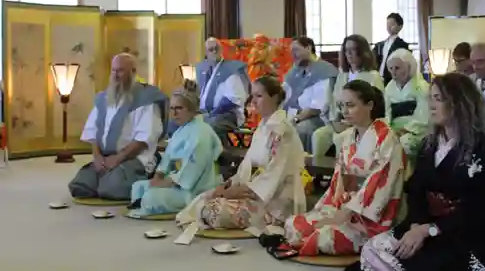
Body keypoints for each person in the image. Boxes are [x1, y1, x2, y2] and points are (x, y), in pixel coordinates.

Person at [348, 72, 485, 271]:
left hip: (462, 233)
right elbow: (416, 191)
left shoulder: (484, 151)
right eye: (431, 98)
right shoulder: (428, 145)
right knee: (373, 250)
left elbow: (482, 208)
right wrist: (416, 225)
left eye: (439, 99)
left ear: (459, 103)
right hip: (423, 225)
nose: (432, 105)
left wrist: (431, 230)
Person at [284, 80, 406, 256]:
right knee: (293, 224)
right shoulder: (348, 137)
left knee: (324, 237)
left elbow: (379, 185)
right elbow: (338, 182)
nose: (345, 111)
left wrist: (345, 214)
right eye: (342, 105)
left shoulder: (387, 140)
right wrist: (330, 210)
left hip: (368, 216)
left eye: (350, 105)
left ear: (370, 105)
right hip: (343, 206)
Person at [176, 75, 306, 235]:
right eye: (252, 96)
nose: (253, 101)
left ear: (275, 97)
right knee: (206, 197)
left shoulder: (282, 131)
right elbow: (247, 165)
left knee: (214, 210)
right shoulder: (263, 126)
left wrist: (240, 191)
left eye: (259, 96)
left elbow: (274, 175)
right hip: (254, 191)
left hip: (275, 201)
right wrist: (230, 185)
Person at [68, 53, 169, 200]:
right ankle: (108, 178)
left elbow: (143, 139)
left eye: (121, 71)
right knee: (79, 186)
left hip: (134, 158)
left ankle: (145, 180)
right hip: (106, 159)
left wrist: (118, 158)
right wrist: (97, 158)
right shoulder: (103, 98)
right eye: (113, 70)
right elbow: (93, 133)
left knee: (110, 189)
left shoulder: (146, 99)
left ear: (133, 72)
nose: (116, 75)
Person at [126, 82, 222, 217]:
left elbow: (192, 169)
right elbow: (167, 160)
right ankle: (145, 202)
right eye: (171, 109)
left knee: (150, 197)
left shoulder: (201, 132)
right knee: (138, 186)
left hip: (192, 190)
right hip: (172, 181)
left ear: (192, 109)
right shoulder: (181, 130)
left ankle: (148, 203)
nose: (174, 113)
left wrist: (167, 183)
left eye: (179, 108)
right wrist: (159, 175)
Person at [312, 34, 383, 166]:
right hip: (340, 121)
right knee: (318, 136)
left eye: (353, 50)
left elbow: (377, 106)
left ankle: (344, 176)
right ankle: (319, 176)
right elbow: (334, 102)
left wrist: (352, 122)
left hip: (361, 124)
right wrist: (334, 121)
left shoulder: (373, 76)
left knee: (341, 139)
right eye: (346, 50)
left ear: (362, 52)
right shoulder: (342, 76)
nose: (349, 54)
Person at [283, 37, 338, 153]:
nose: (293, 55)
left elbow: (317, 108)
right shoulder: (295, 71)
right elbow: (284, 96)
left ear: (308, 48)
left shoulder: (324, 70)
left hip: (317, 118)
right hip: (295, 117)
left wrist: (296, 119)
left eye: (296, 50)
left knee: (300, 130)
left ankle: (304, 168)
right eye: (291, 51)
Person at [196, 37, 250, 145]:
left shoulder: (231, 69)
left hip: (228, 114)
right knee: (184, 122)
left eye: (216, 48)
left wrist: (210, 114)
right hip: (207, 113)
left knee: (208, 125)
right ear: (206, 52)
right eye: (211, 49)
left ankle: (215, 157)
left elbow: (232, 101)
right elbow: (199, 94)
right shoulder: (203, 69)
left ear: (221, 50)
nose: (214, 51)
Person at [385, 49, 430, 164]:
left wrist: (407, 130)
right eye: (391, 68)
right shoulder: (389, 88)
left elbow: (424, 115)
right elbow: (386, 113)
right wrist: (389, 129)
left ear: (409, 67)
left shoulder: (421, 86)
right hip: (393, 130)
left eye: (397, 68)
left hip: (416, 132)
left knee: (405, 143)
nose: (394, 72)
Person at [373, 13, 410, 85]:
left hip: (391, 78)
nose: (389, 27)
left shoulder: (402, 45)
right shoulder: (380, 44)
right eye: (387, 24)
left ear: (400, 26)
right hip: (378, 77)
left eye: (392, 24)